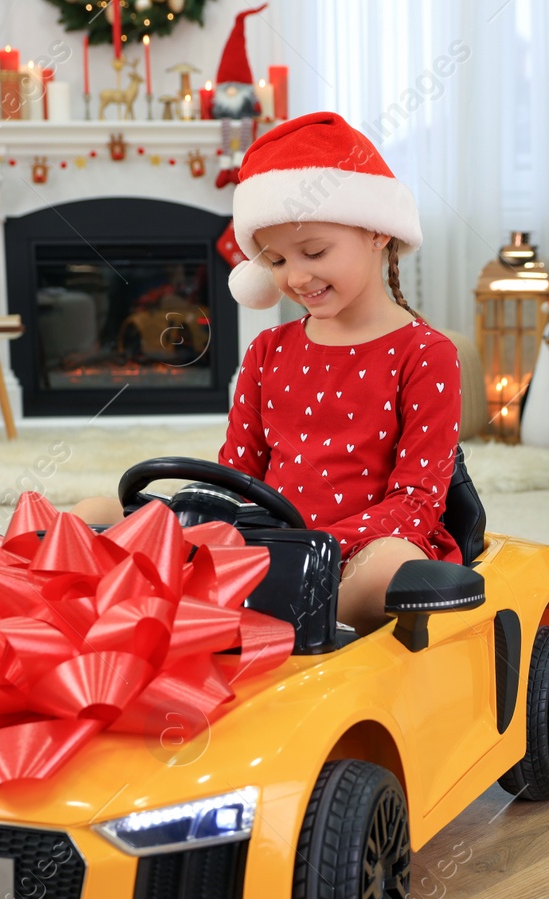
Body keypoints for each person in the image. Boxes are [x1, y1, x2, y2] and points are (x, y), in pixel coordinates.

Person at [71, 112, 461, 634]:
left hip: (354, 555)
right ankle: (143, 610)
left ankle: (287, 627)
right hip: (261, 543)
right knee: (92, 511)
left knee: (387, 564)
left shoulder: (426, 352)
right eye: (275, 261)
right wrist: (215, 530)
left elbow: (417, 503)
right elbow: (238, 474)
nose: (296, 276)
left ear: (376, 232)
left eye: (315, 251)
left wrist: (315, 546)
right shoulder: (268, 349)